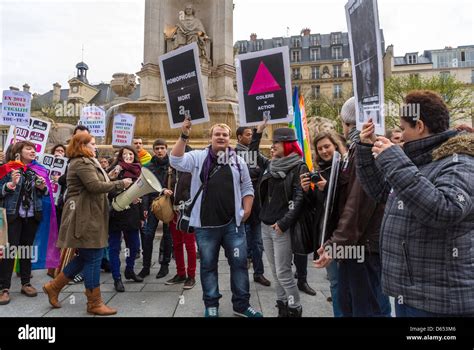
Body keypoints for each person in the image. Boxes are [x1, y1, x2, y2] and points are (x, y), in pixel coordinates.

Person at [357, 90, 474, 317]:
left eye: (403, 128)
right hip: (413, 293)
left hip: (439, 302)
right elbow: (382, 192)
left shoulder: (461, 159)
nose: (400, 134)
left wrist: (394, 159)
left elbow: (445, 210)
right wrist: (365, 148)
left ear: (419, 126)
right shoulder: (422, 160)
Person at [170, 119, 262, 318]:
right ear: (211, 137)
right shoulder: (198, 157)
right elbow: (175, 161)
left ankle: (241, 305)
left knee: (239, 265)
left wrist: (246, 210)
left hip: (233, 225)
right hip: (205, 226)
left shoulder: (238, 160)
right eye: (217, 134)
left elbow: (247, 187)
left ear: (230, 139)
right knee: (208, 265)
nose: (221, 137)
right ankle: (211, 304)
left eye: (225, 135)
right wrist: (184, 135)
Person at [314, 97, 391, 317]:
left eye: (344, 124)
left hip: (363, 247)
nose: (343, 129)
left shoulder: (364, 152)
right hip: (357, 245)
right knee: (356, 304)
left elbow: (357, 204)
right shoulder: (357, 151)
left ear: (351, 124)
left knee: (366, 308)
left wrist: (335, 244)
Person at [43, 133, 132, 316]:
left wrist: (109, 176)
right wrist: (120, 183)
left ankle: (54, 287)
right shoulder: (81, 162)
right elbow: (94, 187)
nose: (95, 146)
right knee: (93, 256)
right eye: (92, 143)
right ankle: (94, 302)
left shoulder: (87, 161)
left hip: (90, 213)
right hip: (85, 215)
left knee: (85, 256)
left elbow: (94, 183)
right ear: (82, 145)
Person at [251, 123, 307, 317]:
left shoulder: (299, 166)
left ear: (288, 144)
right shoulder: (271, 164)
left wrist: (283, 223)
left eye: (277, 142)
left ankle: (295, 307)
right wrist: (258, 133)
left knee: (283, 273)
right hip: (265, 226)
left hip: (281, 228)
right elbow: (252, 155)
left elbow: (299, 199)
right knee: (276, 273)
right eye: (273, 142)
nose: (273, 146)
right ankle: (282, 306)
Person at [300, 132, 347, 317]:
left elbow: (345, 202)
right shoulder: (319, 172)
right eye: (320, 148)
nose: (324, 151)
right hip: (326, 235)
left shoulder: (344, 169)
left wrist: (327, 187)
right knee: (335, 282)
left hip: (343, 234)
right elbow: (315, 206)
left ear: (335, 146)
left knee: (348, 282)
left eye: (327, 146)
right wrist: (306, 191)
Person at [0, 141, 49, 305]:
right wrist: (10, 184)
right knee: (10, 251)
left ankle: (26, 283)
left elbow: (45, 192)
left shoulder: (37, 170)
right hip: (13, 216)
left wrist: (42, 187)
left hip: (31, 215)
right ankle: (4, 288)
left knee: (26, 249)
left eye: (34, 149)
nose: (33, 151)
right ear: (18, 152)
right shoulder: (8, 168)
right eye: (28, 148)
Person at [235, 126, 271, 287]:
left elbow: (268, 166)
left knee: (257, 243)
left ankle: (259, 273)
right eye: (248, 135)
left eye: (252, 135)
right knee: (240, 243)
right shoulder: (233, 154)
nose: (250, 137)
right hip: (239, 207)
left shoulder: (257, 155)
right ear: (239, 137)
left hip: (256, 207)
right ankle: (241, 273)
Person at [107, 147, 144, 292]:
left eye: (131, 154)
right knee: (115, 248)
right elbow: (107, 188)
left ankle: (129, 270)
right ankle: (117, 278)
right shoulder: (115, 169)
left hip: (132, 214)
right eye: (125, 154)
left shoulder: (139, 171)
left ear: (134, 156)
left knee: (133, 246)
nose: (128, 156)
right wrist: (124, 194)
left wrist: (141, 214)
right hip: (116, 213)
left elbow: (143, 193)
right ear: (120, 157)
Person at [138, 139, 173, 280]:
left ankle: (164, 265)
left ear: (166, 149)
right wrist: (144, 208)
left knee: (167, 235)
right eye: (157, 148)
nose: (159, 151)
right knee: (147, 235)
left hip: (168, 204)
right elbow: (145, 188)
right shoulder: (148, 166)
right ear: (153, 150)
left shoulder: (172, 164)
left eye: (162, 148)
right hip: (152, 203)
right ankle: (146, 267)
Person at [165, 145, 196, 290]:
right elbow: (163, 186)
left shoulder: (192, 172)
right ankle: (180, 273)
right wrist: (164, 191)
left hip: (187, 213)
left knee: (189, 245)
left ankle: (191, 276)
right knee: (176, 244)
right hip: (173, 211)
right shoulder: (171, 171)